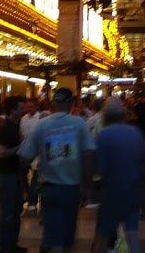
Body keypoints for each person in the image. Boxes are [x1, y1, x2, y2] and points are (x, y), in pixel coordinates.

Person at [20, 86, 94, 253]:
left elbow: (25, 156)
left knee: (50, 235)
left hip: (48, 188)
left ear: (53, 103)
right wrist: (87, 187)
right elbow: (88, 156)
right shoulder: (79, 124)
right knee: (68, 235)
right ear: (71, 104)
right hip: (72, 189)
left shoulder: (41, 125)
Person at [92, 96, 145, 253]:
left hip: (111, 191)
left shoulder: (103, 136)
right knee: (132, 233)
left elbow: (97, 167)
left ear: (105, 116)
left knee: (104, 234)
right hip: (133, 190)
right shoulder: (135, 133)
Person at [0, 99, 27, 253]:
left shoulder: (14, 127)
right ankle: (2, 245)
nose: (23, 110)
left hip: (14, 173)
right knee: (7, 211)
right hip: (6, 175)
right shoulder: (5, 129)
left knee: (15, 210)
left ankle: (12, 243)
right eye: (20, 108)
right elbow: (2, 153)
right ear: (12, 110)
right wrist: (21, 146)